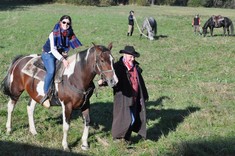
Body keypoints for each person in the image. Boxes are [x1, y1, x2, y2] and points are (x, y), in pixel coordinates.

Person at [98, 45, 149, 142]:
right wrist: (103, 82)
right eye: (131, 56)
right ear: (125, 55)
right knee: (124, 119)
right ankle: (118, 138)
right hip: (123, 97)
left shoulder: (135, 67)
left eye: (133, 57)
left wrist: (144, 94)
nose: (132, 59)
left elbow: (140, 82)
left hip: (135, 97)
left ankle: (125, 138)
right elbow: (112, 78)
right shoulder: (118, 67)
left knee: (132, 119)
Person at [40, 15, 82, 108]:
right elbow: (53, 50)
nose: (66, 24)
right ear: (60, 22)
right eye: (64, 22)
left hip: (59, 54)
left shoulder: (69, 33)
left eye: (68, 23)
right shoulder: (53, 34)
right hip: (49, 54)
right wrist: (63, 59)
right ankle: (45, 94)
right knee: (51, 71)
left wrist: (65, 52)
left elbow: (69, 45)